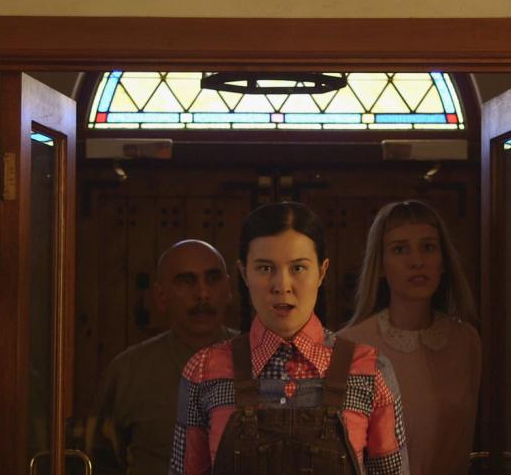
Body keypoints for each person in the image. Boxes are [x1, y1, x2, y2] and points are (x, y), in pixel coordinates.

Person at [169, 202, 409, 475]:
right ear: (244, 273)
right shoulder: (204, 371)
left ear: (322, 272)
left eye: (298, 268)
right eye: (264, 268)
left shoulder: (370, 371)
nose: (282, 286)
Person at [338, 200, 481, 475]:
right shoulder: (351, 346)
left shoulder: (466, 341)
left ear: (443, 261)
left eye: (428, 247)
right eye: (400, 249)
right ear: (381, 265)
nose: (417, 262)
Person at [87, 239, 239, 475]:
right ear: (160, 296)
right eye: (186, 281)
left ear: (228, 289)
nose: (202, 294)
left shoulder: (260, 361)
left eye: (212, 279)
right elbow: (99, 461)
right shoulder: (129, 371)